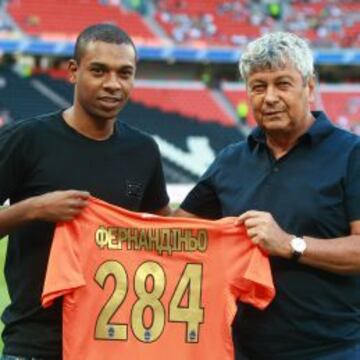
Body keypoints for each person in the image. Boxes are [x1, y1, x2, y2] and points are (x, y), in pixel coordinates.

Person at [176, 32, 360, 359]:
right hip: (242, 348)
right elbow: (179, 232)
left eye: (283, 84)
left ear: (310, 87)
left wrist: (290, 244)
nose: (269, 97)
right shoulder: (230, 159)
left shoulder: (351, 154)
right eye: (258, 87)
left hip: (332, 349)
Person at [0, 23, 170, 360]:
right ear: (73, 72)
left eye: (125, 73)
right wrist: (33, 209)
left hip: (115, 343)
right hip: (37, 345)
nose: (112, 84)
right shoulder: (27, 140)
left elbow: (165, 230)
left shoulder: (143, 150)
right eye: (99, 71)